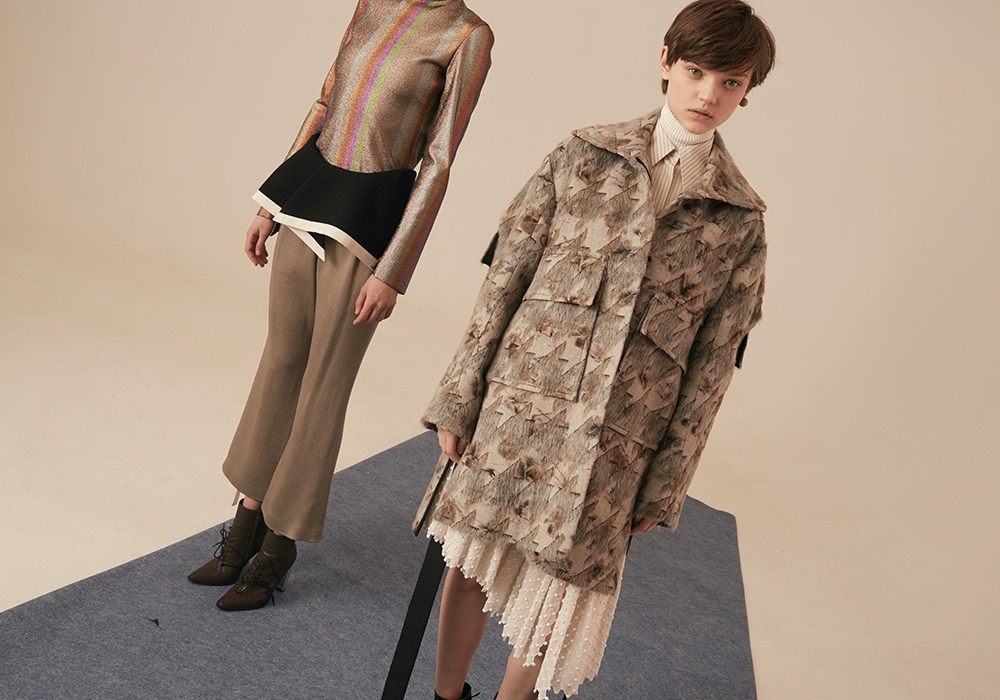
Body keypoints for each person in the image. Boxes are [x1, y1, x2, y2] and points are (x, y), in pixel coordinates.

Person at [414, 1, 776, 697]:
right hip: (520, 405)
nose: (708, 94)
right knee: (471, 561)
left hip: (619, 439)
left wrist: (667, 481)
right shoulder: (582, 156)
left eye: (730, 82)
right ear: (665, 60)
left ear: (747, 90)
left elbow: (711, 371)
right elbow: (504, 280)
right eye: (696, 71)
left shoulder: (741, 222)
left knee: (556, 599)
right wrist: (459, 394)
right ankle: (445, 694)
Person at [187, 0, 493, 612]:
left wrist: (392, 270)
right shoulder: (371, 5)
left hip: (368, 228)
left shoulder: (468, 36)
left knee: (323, 387)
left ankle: (278, 547)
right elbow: (324, 106)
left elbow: (439, 159)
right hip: (308, 206)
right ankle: (244, 527)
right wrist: (272, 203)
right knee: (279, 366)